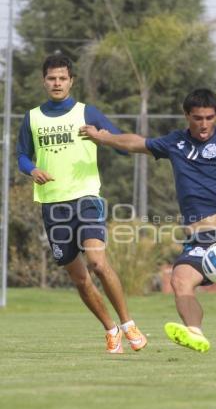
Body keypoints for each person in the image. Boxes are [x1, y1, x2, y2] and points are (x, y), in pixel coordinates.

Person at [79, 88, 216, 353]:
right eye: (198, 118)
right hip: (200, 238)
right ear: (187, 115)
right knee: (180, 280)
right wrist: (105, 138)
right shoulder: (175, 143)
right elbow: (137, 143)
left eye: (209, 118)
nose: (203, 124)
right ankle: (196, 334)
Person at [17, 54, 147, 354]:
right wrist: (31, 169)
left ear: (71, 81)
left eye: (63, 78)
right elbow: (22, 155)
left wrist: (101, 137)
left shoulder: (87, 112)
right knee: (79, 278)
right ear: (44, 81)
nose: (57, 83)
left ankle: (128, 324)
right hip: (52, 205)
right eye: (52, 78)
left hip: (87, 197)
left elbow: (122, 147)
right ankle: (110, 329)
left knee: (98, 263)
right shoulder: (32, 117)